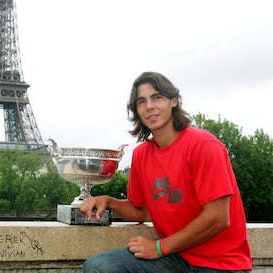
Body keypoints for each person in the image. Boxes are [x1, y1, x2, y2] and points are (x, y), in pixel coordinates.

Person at [80, 72, 252, 273]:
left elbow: (219, 218)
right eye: (141, 101)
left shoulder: (204, 146)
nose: (149, 106)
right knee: (99, 267)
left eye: (157, 97)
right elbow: (141, 210)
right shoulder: (141, 155)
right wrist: (108, 201)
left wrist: (161, 247)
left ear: (174, 100)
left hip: (220, 263)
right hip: (175, 258)